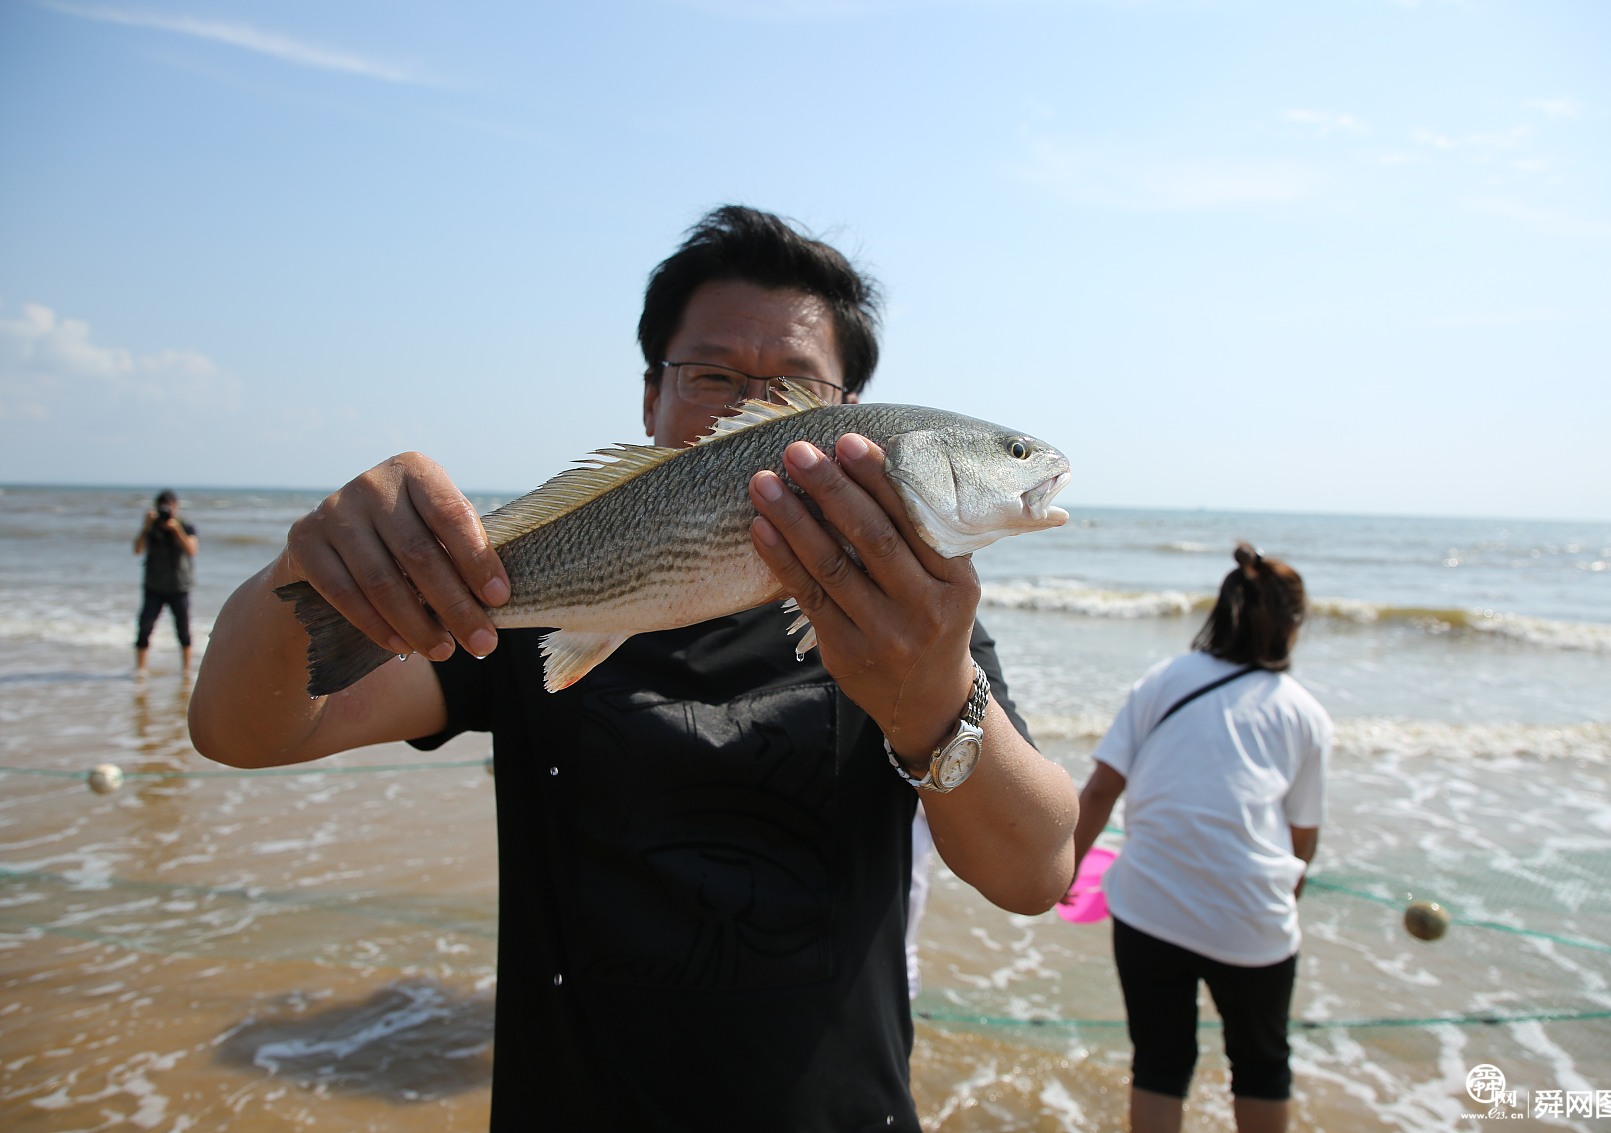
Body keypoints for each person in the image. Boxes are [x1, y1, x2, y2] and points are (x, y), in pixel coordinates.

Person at [189, 205, 1078, 1131]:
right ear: (650, 396)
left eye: (793, 386)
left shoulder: (920, 630)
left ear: (850, 419)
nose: (746, 406)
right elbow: (243, 731)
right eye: (711, 374)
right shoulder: (511, 620)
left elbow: (1036, 871)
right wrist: (306, 573)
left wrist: (934, 695)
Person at [1071, 543, 1331, 1133]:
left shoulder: (1165, 680)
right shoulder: (1303, 713)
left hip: (1149, 905)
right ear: (1293, 623)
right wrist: (1287, 900)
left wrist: (1066, 872)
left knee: (1160, 1062)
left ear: (1222, 610)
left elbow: (1099, 792)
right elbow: (1302, 836)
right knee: (1262, 1065)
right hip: (1251, 920)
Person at [133, 489, 198, 675]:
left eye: (170, 507)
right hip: (154, 586)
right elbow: (137, 549)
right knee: (144, 627)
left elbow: (192, 550)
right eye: (162, 508)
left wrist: (176, 529)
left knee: (183, 630)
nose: (166, 512)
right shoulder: (151, 527)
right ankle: (140, 670)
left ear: (176, 508)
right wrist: (145, 527)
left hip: (179, 586)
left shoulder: (185, 526)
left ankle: (186, 671)